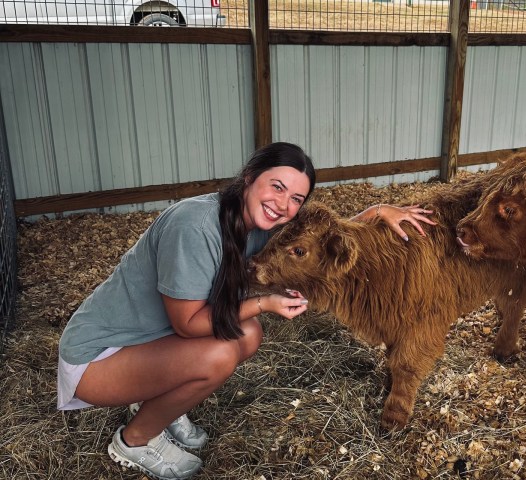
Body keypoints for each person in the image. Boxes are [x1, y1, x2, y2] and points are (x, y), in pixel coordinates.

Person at [56, 141, 436, 479]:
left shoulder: (259, 225)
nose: (284, 205)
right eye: (277, 187)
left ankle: (160, 405)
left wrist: (376, 211)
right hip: (97, 358)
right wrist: (265, 302)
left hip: (148, 342)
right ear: (250, 177)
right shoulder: (195, 226)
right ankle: (134, 440)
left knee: (248, 334)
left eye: (296, 199)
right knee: (221, 353)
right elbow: (188, 326)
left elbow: (315, 243)